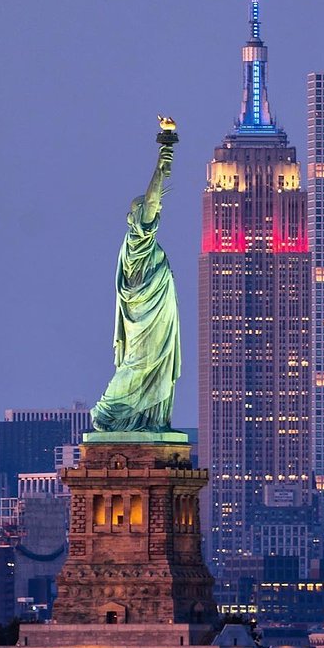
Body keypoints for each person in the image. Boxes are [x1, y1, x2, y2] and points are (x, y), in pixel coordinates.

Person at [91, 138, 181, 431]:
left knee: (153, 369)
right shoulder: (137, 242)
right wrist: (164, 156)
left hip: (155, 318)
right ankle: (107, 412)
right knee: (138, 367)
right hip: (143, 318)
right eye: (148, 213)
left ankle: (148, 419)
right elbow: (153, 200)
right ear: (136, 218)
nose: (155, 215)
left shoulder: (144, 246)